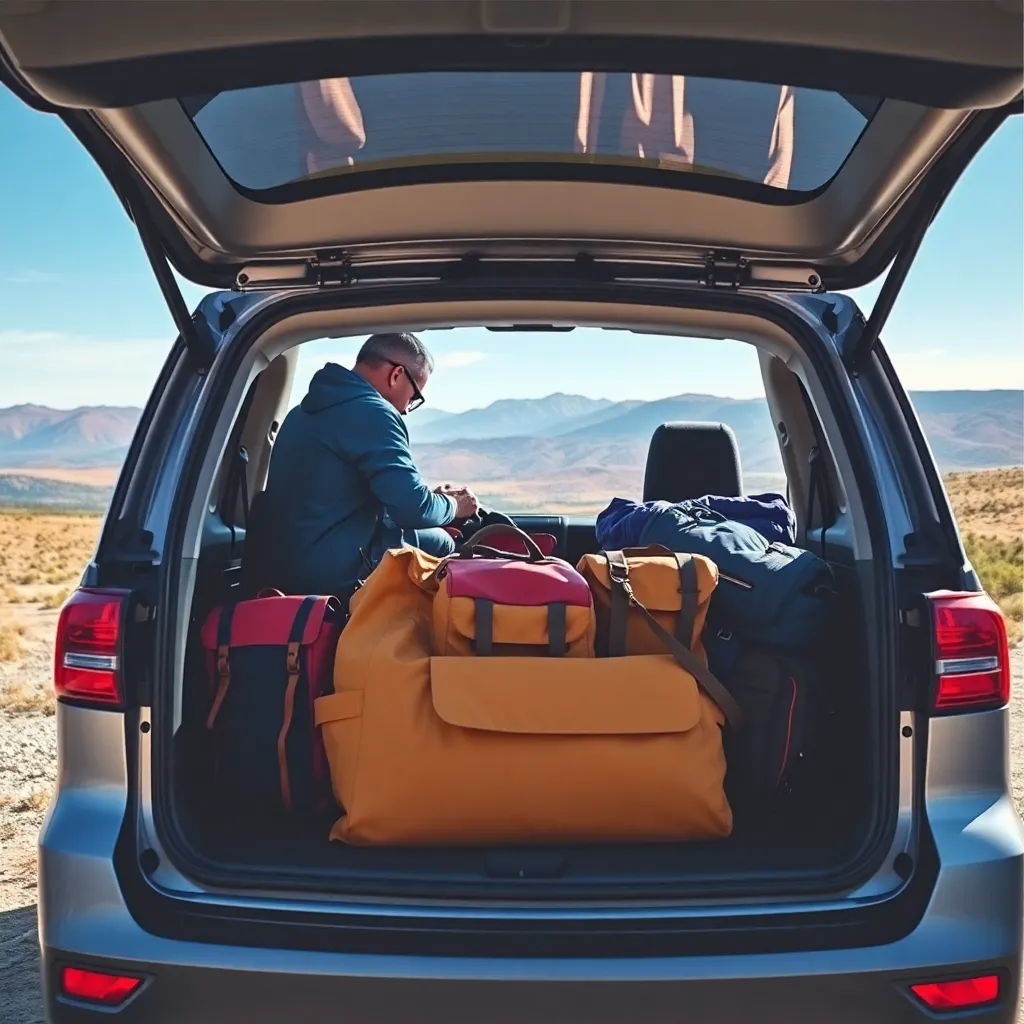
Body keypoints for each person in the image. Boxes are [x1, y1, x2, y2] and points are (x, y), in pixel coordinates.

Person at [259, 332, 479, 596]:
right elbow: (412, 509)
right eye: (414, 397)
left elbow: (337, 498)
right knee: (443, 543)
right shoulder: (374, 413)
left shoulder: (302, 412)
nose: (407, 410)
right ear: (396, 375)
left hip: (284, 565)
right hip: (334, 573)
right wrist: (456, 505)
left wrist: (432, 500)